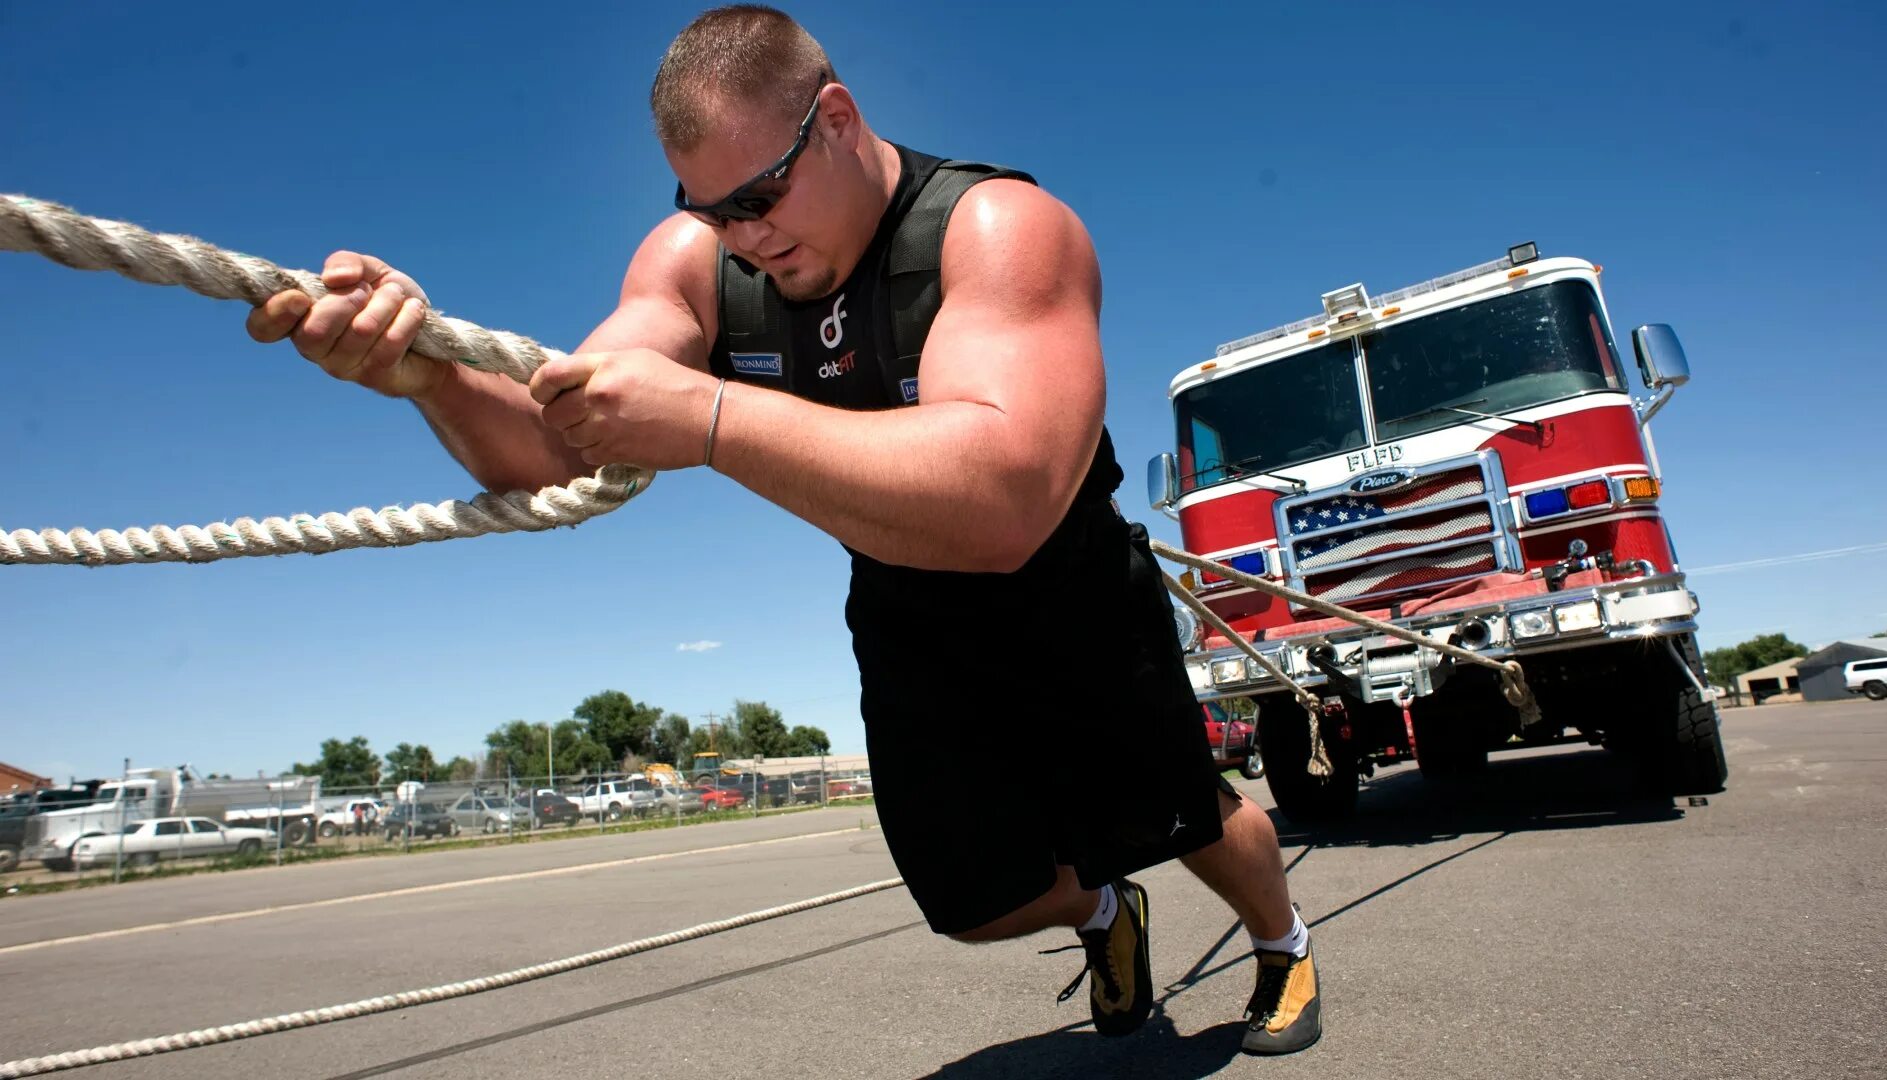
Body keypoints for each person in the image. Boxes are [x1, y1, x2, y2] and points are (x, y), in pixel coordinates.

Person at [243, 5, 1319, 1055]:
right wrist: (427, 376)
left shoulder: (996, 228)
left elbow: (1007, 501)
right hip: (902, 596)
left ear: (839, 120)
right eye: (710, 208)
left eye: (762, 194)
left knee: (1179, 817)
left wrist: (711, 417)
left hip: (1060, 576)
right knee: (969, 898)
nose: (744, 236)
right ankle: (1102, 917)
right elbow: (555, 441)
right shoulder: (697, 262)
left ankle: (1282, 945)